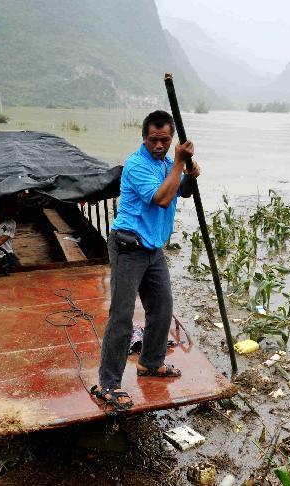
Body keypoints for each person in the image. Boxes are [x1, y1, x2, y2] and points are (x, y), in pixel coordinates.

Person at [92, 110, 201, 412]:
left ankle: (150, 363)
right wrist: (180, 162)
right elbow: (162, 198)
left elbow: (183, 192)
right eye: (154, 140)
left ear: (171, 139)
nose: (159, 145)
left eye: (165, 140)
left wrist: (189, 174)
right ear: (144, 138)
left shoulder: (168, 164)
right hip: (128, 247)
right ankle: (109, 384)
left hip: (152, 248)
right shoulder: (136, 165)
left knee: (162, 308)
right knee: (122, 316)